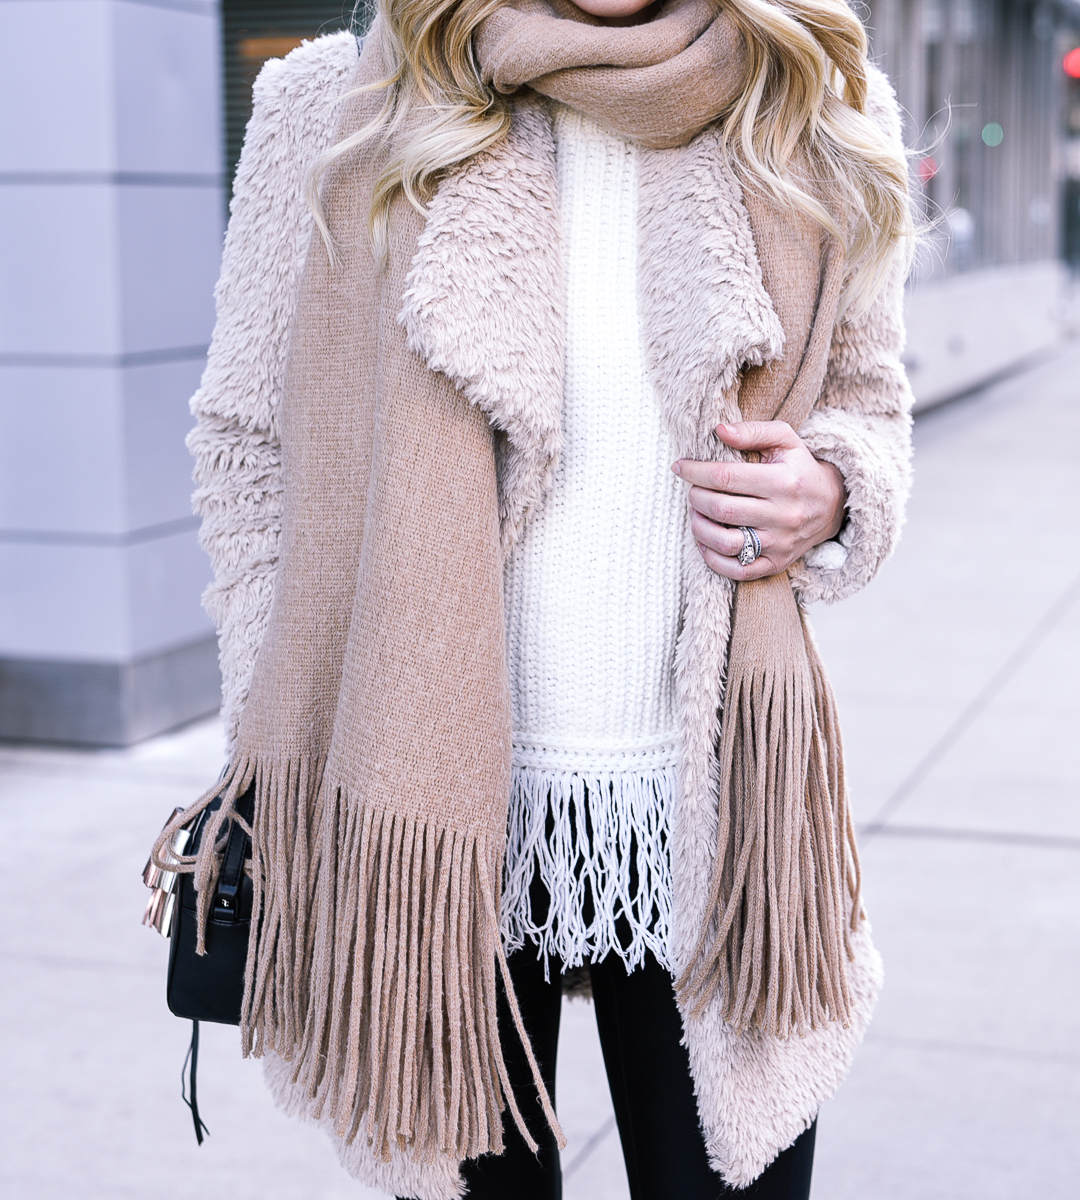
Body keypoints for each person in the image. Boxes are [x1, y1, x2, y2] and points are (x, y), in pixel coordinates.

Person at [159, 0, 915, 1196]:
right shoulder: (337, 106)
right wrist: (292, 720)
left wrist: (834, 488)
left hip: (707, 808)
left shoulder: (805, 98)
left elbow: (870, 401)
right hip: (434, 815)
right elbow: (246, 441)